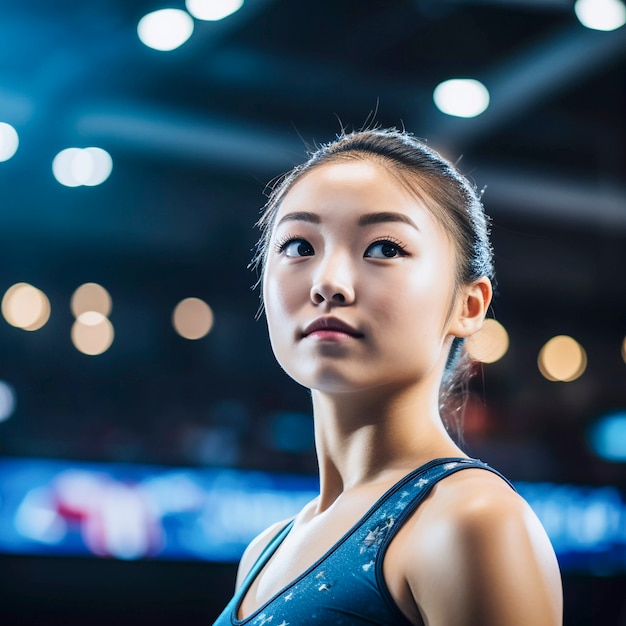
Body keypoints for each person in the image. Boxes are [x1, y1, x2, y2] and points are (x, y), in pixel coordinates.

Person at [213, 128, 562, 626]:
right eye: (297, 245)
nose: (328, 282)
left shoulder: (471, 520)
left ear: (469, 305)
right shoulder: (264, 552)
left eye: (383, 248)